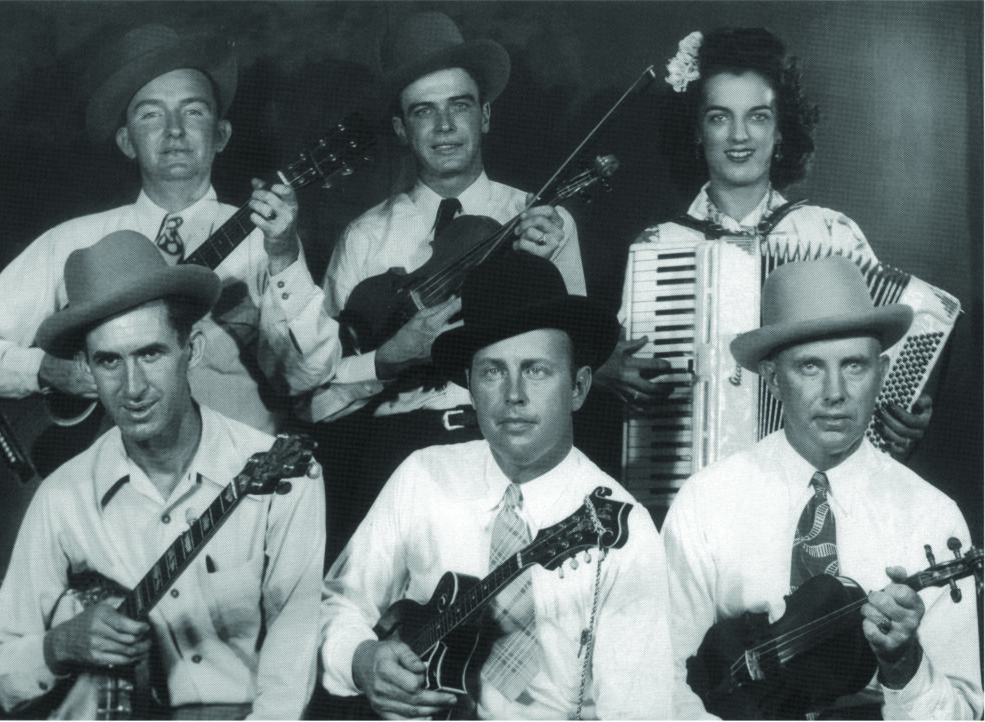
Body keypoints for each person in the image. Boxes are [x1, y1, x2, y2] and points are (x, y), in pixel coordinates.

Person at [0, 231, 326, 719]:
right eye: (108, 362)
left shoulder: (285, 475)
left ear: (193, 351)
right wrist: (58, 646)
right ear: (86, 370)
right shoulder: (63, 497)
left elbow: (291, 662)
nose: (133, 387)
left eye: (150, 353)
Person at [320, 251, 672, 720]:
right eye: (492, 371)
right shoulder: (423, 476)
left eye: (537, 370)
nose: (513, 395)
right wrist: (361, 659)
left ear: (579, 387)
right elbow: (337, 602)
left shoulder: (624, 529)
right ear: (469, 384)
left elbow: (639, 712)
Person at [306, 12, 589, 566]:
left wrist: (543, 274)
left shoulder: (538, 220)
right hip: (395, 456)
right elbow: (319, 401)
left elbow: (577, 369)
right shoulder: (365, 237)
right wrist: (387, 359)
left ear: (484, 115)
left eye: (459, 105)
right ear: (400, 129)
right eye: (422, 112)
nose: (443, 126)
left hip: (510, 450)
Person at [0, 23, 337, 436]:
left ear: (221, 135)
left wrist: (284, 257)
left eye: (193, 111)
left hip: (238, 480)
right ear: (126, 141)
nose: (174, 130)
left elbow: (308, 379)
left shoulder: (269, 240)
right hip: (103, 483)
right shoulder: (71, 241)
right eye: (151, 114)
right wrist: (41, 370)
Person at [662, 256, 982, 719]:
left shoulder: (934, 517)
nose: (835, 392)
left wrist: (904, 665)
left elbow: (964, 715)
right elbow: (662, 679)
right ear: (772, 379)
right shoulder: (706, 500)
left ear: (883, 371)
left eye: (854, 366)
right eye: (810, 367)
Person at [597, 26, 930, 459]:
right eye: (719, 116)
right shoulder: (659, 245)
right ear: (697, 131)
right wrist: (610, 369)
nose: (739, 136)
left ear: (780, 131)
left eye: (758, 116)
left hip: (818, 479)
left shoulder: (829, 234)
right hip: (694, 479)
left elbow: (874, 367)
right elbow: (632, 368)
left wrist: (902, 408)